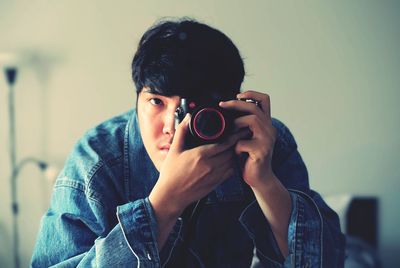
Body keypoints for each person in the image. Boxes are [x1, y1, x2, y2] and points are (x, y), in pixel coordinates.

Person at [31, 18, 345, 267]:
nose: (172, 125)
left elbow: (326, 261)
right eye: (156, 102)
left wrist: (264, 182)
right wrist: (163, 206)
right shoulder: (99, 160)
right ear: (137, 98)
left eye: (190, 108)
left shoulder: (261, 140)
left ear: (229, 103)